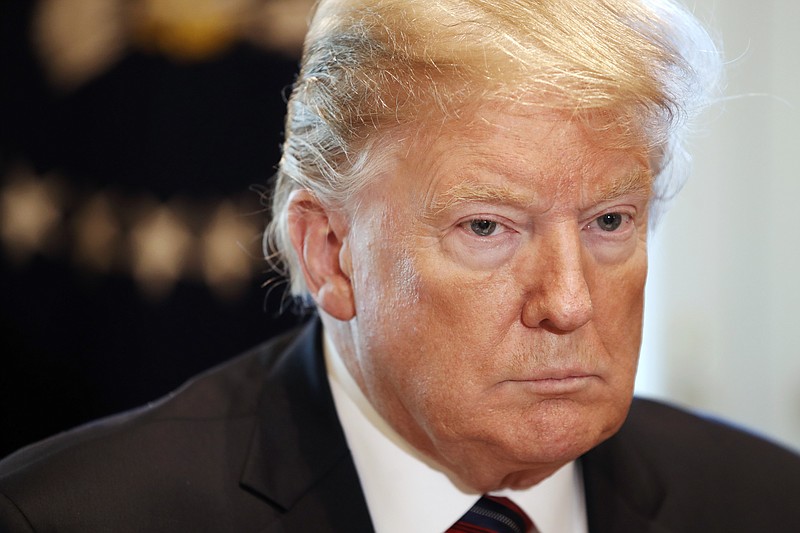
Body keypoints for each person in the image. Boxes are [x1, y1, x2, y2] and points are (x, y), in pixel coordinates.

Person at [2, 0, 799, 531]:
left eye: (610, 221)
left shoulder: (765, 501)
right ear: (332, 254)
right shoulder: (70, 516)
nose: (568, 300)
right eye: (487, 226)